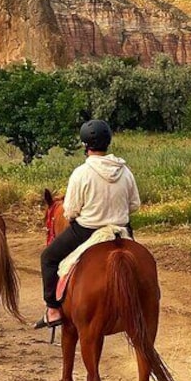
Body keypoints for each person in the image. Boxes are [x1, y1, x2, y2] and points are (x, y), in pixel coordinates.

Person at [34, 120, 141, 329]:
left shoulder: (81, 173)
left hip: (87, 230)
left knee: (48, 258)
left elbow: (71, 210)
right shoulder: (125, 171)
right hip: (121, 230)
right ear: (108, 142)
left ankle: (53, 309)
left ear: (85, 145)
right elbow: (134, 205)